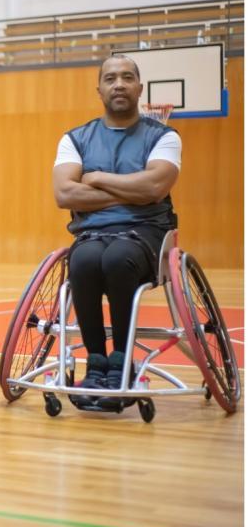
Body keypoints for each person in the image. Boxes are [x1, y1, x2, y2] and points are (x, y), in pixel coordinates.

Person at [52, 54, 181, 408]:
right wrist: (129, 192)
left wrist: (97, 180)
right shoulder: (75, 139)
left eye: (127, 77)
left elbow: (154, 188)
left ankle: (122, 362)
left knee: (118, 258)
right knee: (84, 261)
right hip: (92, 235)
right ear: (100, 90)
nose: (119, 84)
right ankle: (96, 364)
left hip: (146, 235)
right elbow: (65, 193)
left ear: (140, 88)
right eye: (111, 78)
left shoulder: (164, 136)